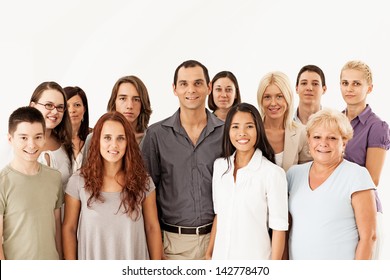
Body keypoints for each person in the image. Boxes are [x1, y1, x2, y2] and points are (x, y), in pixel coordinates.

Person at [141, 60, 224, 260]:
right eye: (184, 84)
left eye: (197, 83)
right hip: (172, 244)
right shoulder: (156, 135)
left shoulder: (226, 132)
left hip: (220, 241)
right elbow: (146, 193)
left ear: (208, 87)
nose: (191, 90)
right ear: (174, 89)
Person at [62, 112, 162, 260]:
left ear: (128, 142)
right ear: (97, 141)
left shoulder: (143, 182)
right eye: (107, 138)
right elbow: (69, 229)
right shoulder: (78, 181)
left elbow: (152, 228)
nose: (114, 145)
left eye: (120, 138)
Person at [287, 108, 377, 259]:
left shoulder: (356, 176)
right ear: (308, 140)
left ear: (344, 142)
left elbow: (369, 237)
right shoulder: (293, 174)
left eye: (332, 138)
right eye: (317, 137)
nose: (323, 143)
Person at [205, 103, 288, 260]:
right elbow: (219, 214)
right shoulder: (220, 166)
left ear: (258, 129)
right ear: (228, 130)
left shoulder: (273, 173)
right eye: (235, 127)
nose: (241, 133)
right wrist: (209, 253)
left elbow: (279, 228)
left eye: (249, 126)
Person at [340, 60, 390, 258]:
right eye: (345, 83)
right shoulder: (334, 120)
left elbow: (372, 178)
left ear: (369, 88)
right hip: (338, 204)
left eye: (356, 83)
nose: (349, 89)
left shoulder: (376, 127)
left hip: (363, 207)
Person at [0, 107, 63, 259]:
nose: (32, 144)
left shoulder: (54, 177)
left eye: (38, 137)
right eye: (23, 138)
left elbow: (57, 227)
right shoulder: (3, 182)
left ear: (44, 138)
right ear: (10, 139)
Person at [257, 71, 311, 172]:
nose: (273, 103)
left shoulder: (301, 133)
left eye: (279, 96)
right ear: (261, 100)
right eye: (267, 97)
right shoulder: (253, 132)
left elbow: (306, 173)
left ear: (288, 98)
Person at [29, 81, 73, 189]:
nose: (55, 112)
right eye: (49, 105)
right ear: (33, 106)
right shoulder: (12, 142)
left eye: (60, 107)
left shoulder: (66, 145)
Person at [106, 75, 152, 145]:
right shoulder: (95, 138)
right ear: (114, 102)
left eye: (136, 100)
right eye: (123, 99)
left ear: (143, 104)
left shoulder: (153, 139)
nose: (129, 106)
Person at [64, 86, 92, 172]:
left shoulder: (94, 136)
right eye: (67, 106)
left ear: (84, 109)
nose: (72, 110)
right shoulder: (53, 138)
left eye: (77, 105)